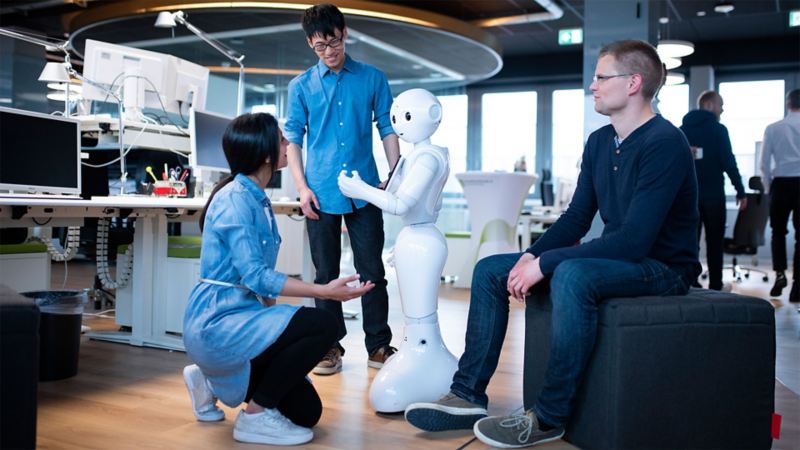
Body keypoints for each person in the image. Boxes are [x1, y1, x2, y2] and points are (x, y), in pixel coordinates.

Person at [404, 39, 701, 448]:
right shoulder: (600, 142)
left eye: (601, 77)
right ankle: (468, 394)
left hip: (663, 268)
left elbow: (634, 241)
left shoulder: (665, 142)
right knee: (491, 268)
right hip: (624, 258)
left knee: (573, 275)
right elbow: (577, 218)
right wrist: (531, 254)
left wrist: (546, 265)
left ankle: (547, 418)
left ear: (633, 82)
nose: (592, 86)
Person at [181, 113, 374, 446]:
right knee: (323, 324)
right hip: (217, 324)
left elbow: (260, 281)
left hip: (242, 317)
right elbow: (257, 277)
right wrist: (323, 291)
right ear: (268, 154)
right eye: (283, 140)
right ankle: (253, 418)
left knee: (306, 412)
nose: (289, 145)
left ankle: (209, 380)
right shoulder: (235, 201)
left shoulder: (256, 196)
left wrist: (276, 325)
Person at [284, 3, 401, 375]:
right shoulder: (300, 86)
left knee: (372, 272)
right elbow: (293, 141)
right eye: (320, 46)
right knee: (325, 275)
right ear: (309, 44)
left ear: (345, 33)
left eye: (333, 42)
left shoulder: (372, 78)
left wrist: (394, 173)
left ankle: (378, 346)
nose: (329, 52)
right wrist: (301, 187)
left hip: (365, 190)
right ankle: (329, 346)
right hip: (319, 193)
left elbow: (387, 127)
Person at [680, 90, 747, 291]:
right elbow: (728, 161)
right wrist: (740, 190)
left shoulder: (681, 130)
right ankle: (716, 285)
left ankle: (691, 282)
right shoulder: (719, 130)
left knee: (689, 242)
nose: (722, 109)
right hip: (714, 197)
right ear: (709, 105)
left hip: (688, 198)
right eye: (720, 105)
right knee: (715, 242)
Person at [761, 88, 800, 303]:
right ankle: (798, 285)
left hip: (781, 183)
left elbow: (764, 163)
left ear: (788, 104)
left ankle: (780, 275)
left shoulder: (774, 128)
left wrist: (768, 188)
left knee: (778, 232)